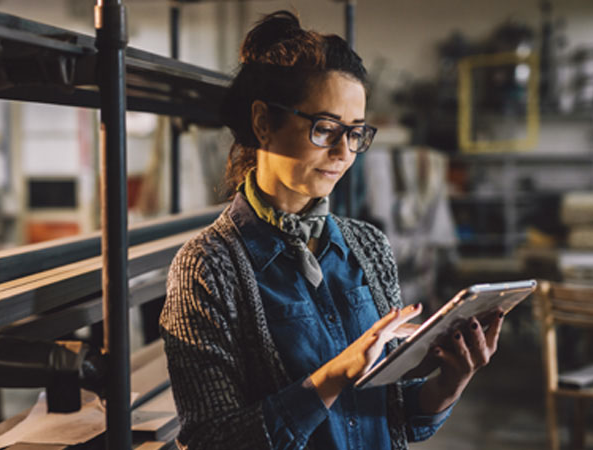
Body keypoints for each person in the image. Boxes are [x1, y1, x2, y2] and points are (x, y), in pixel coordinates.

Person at [159, 11, 504, 450]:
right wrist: (333, 376)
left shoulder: (368, 246)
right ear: (264, 122)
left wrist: (451, 380)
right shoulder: (206, 267)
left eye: (356, 133)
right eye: (325, 129)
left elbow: (393, 413)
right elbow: (211, 440)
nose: (343, 152)